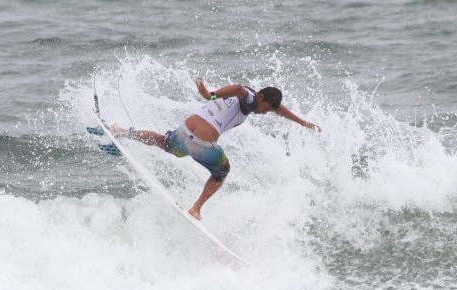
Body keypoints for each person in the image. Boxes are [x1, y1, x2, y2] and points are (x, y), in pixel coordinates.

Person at [112, 80, 321, 220]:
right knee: (222, 172)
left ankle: (121, 132)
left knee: (167, 144)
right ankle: (196, 209)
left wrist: (302, 122)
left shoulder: (253, 99)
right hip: (202, 142)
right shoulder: (246, 96)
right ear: (260, 97)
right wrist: (210, 95)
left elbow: (279, 110)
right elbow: (239, 89)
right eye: (265, 109)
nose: (264, 114)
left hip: (186, 130)